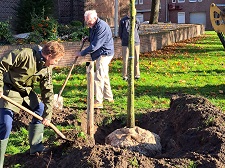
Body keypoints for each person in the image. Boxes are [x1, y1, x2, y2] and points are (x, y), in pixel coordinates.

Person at [0, 41, 65, 168]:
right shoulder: (24, 54)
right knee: (6, 124)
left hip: (26, 92)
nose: (56, 63)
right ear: (49, 56)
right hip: (9, 90)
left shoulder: (47, 68)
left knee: (40, 110)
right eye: (56, 60)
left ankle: (36, 147)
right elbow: (1, 65)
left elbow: (48, 92)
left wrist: (48, 115)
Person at [76, 10, 114, 109]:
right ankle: (109, 97)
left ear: (94, 18)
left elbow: (95, 45)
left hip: (104, 53)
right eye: (86, 21)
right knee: (104, 75)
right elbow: (95, 38)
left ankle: (98, 101)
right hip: (100, 53)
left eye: (89, 21)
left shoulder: (101, 26)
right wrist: (88, 38)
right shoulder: (94, 26)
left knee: (98, 77)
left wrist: (82, 53)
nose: (87, 23)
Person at [119, 11, 140, 80]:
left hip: (136, 42)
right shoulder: (122, 21)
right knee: (125, 58)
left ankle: (136, 74)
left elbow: (138, 29)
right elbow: (120, 32)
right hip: (125, 42)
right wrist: (124, 38)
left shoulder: (136, 20)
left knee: (136, 58)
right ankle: (125, 75)